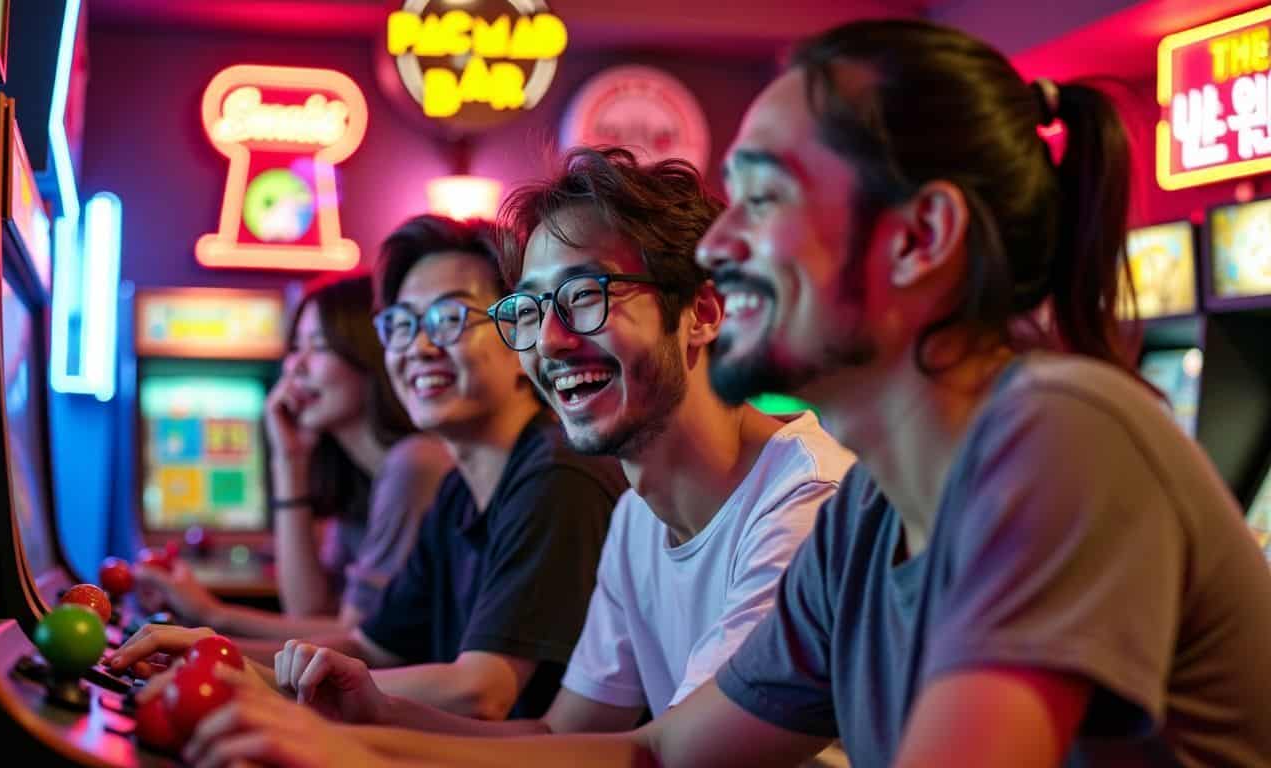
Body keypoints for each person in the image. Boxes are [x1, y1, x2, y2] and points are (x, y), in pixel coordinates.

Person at [179, 19, 1271, 768]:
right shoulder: (868, 516)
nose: (727, 244)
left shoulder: (1057, 432)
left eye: (763, 194)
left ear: (921, 238)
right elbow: (655, 752)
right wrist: (354, 734)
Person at [264, 147, 854, 739]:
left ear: (702, 310)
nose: (549, 341)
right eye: (529, 309)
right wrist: (376, 712)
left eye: (585, 297)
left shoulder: (808, 504)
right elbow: (564, 736)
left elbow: (665, 756)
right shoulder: (637, 519)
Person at [113, 214, 626, 722]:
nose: (419, 349)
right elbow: (372, 647)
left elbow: (481, 690)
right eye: (402, 326)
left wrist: (248, 673)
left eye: (449, 319)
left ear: (524, 334)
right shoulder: (456, 494)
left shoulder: (557, 477)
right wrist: (214, 648)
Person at [132, 274, 452, 640]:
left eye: (318, 346)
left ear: (371, 354)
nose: (294, 368)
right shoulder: (358, 478)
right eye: (295, 348)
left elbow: (354, 639)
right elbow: (310, 611)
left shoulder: (414, 464)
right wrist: (289, 459)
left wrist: (211, 616)